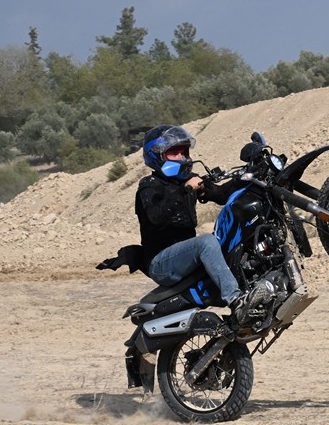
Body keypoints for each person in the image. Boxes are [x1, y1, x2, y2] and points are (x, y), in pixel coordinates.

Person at [106, 124, 270, 323]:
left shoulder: (187, 181)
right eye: (175, 152)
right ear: (158, 156)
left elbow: (222, 194)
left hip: (185, 259)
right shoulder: (149, 186)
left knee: (228, 245)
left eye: (184, 151)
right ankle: (237, 301)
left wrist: (250, 174)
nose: (183, 157)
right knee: (207, 242)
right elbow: (156, 215)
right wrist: (185, 190)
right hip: (161, 263)